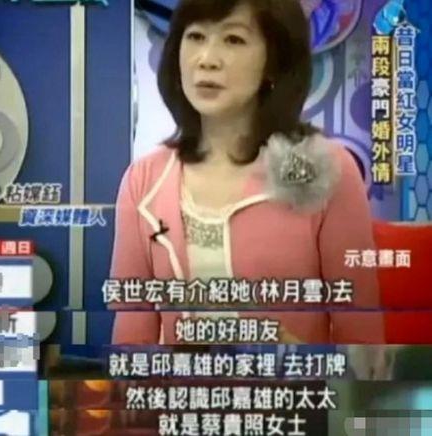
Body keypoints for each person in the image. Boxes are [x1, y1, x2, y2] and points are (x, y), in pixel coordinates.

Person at [110, 0, 384, 345]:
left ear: (274, 61)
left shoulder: (327, 169)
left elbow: (363, 342)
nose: (206, 59)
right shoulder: (144, 180)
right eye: (195, 36)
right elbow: (131, 338)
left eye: (233, 39)